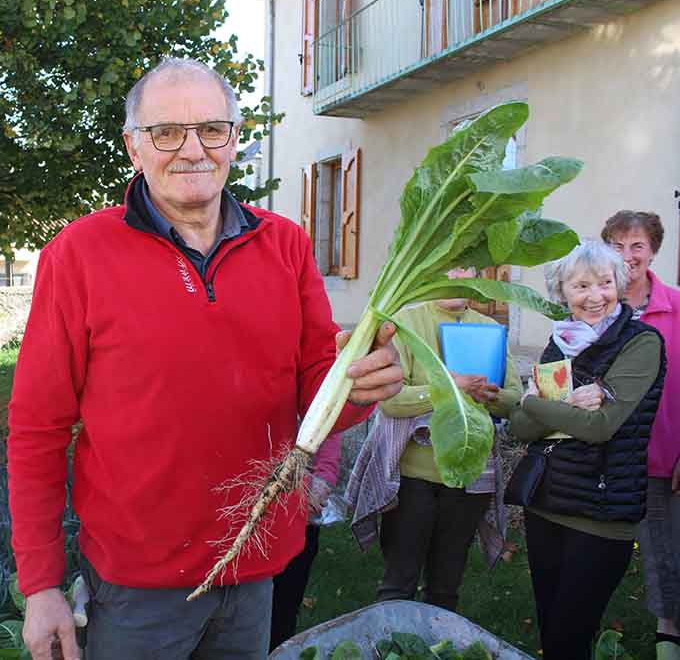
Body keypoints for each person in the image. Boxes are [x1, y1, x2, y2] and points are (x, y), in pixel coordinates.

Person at [6, 57, 404, 660]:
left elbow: (315, 394)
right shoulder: (78, 254)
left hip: (256, 565)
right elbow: (37, 428)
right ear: (134, 149)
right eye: (167, 132)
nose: (192, 149)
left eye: (212, 130)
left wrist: (361, 385)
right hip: (136, 588)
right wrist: (40, 585)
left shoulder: (286, 244)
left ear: (234, 141)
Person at [509, 240, 665, 660]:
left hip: (602, 514)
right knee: (551, 628)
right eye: (581, 286)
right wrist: (561, 405)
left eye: (604, 283)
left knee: (569, 636)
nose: (595, 296)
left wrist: (536, 403)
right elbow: (522, 428)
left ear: (619, 283)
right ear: (563, 292)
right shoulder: (562, 342)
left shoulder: (641, 342)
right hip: (547, 504)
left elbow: (599, 427)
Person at [345, 267, 522, 613]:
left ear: (475, 274)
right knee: (399, 583)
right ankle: (392, 645)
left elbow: (513, 398)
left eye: (465, 266)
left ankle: (435, 645)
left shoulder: (488, 329)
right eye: (449, 265)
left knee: (446, 586)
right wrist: (449, 390)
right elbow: (393, 402)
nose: (457, 274)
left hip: (468, 482)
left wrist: (490, 394)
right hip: (413, 480)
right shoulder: (403, 324)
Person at [602, 211, 680, 660]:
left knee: (672, 546)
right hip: (611, 457)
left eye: (637, 246)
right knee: (648, 552)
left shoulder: (674, 307)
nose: (627, 256)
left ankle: (669, 632)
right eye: (617, 245)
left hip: (665, 456)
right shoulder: (597, 306)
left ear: (652, 251)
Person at [269, 429, 344, 651]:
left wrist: (322, 481)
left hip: (300, 520)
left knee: (285, 606)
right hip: (256, 512)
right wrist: (303, 484)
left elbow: (330, 433)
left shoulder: (318, 396)